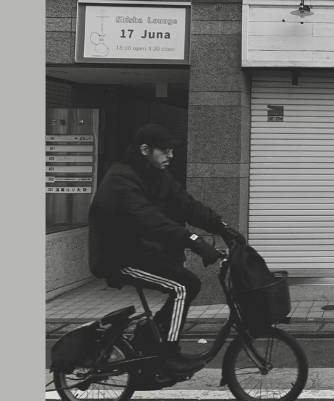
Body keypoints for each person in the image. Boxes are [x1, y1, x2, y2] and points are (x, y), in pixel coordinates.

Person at [88, 123, 243, 373]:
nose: (171, 156)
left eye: (172, 151)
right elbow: (150, 220)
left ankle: (150, 339)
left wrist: (222, 227)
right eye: (165, 151)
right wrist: (194, 242)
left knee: (188, 283)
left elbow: (187, 205)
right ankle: (167, 354)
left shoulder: (156, 175)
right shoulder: (120, 180)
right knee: (182, 287)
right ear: (145, 150)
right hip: (116, 258)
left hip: (140, 252)